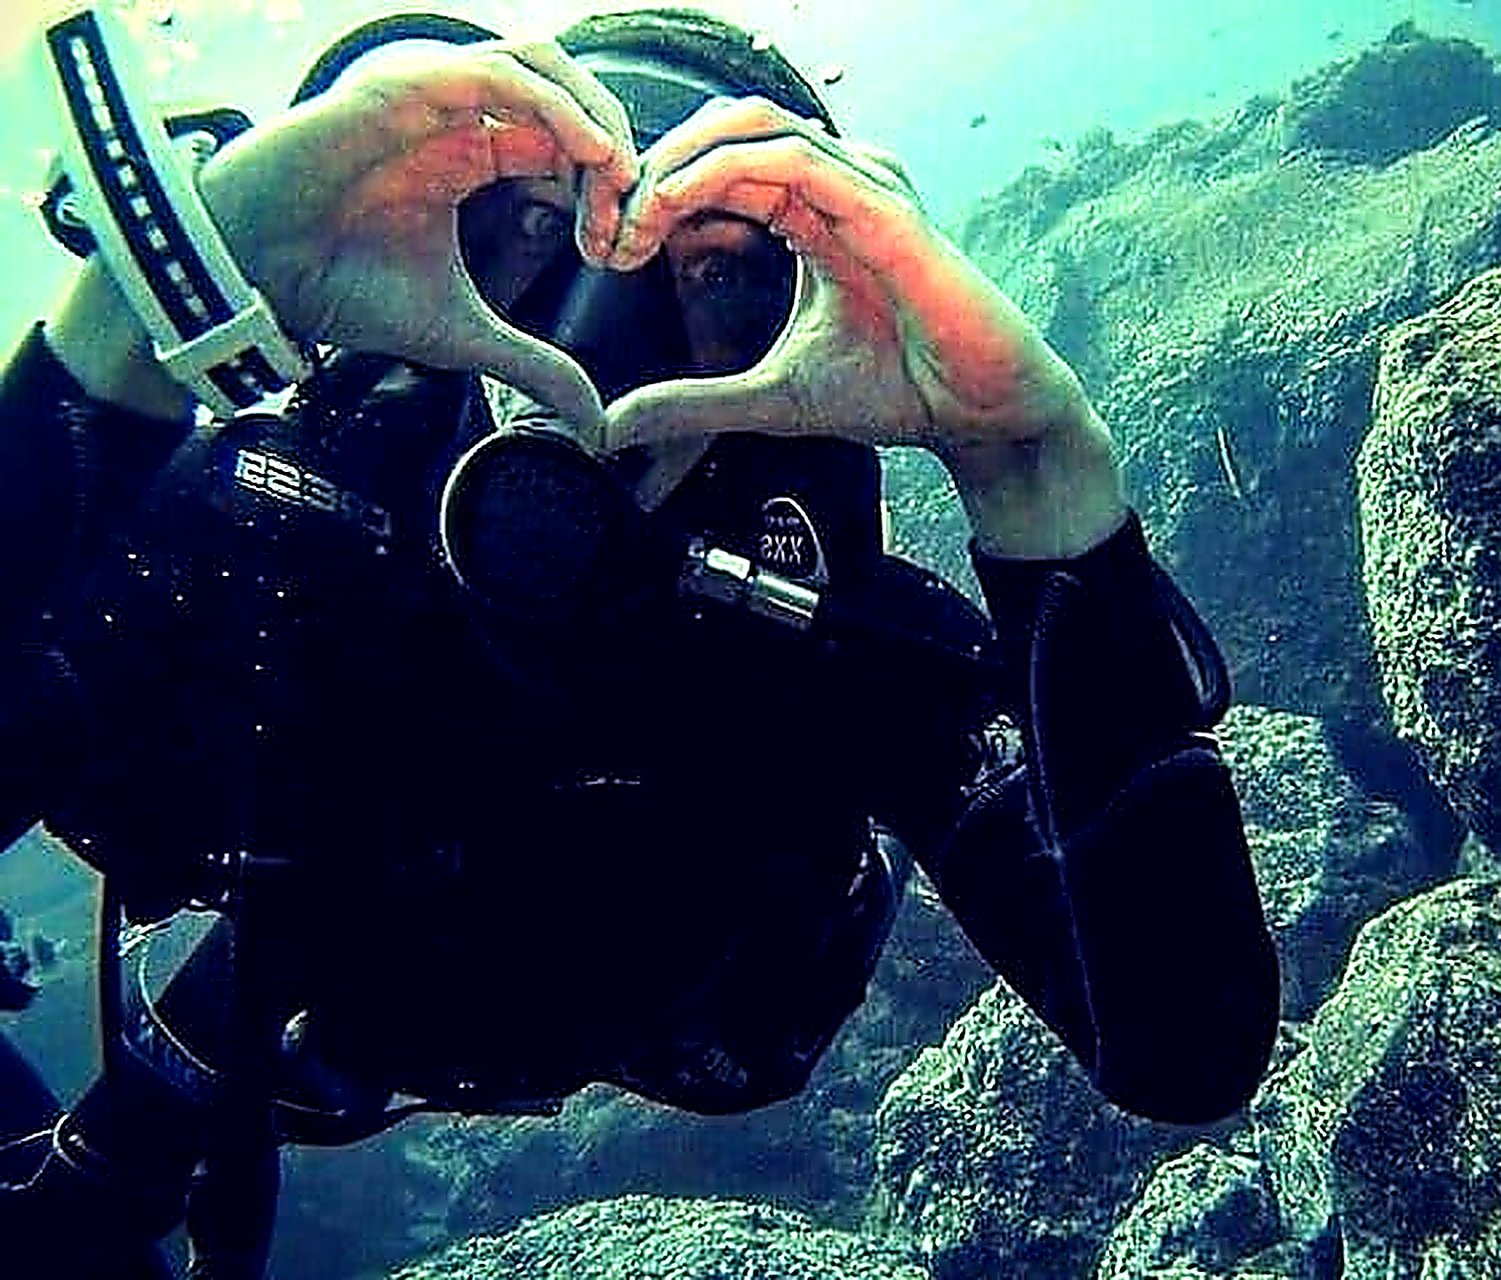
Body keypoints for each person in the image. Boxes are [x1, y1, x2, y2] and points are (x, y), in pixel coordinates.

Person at [0, 7, 1279, 1276]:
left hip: (707, 1021)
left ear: (807, 319)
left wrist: (1031, 467)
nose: (591, 353)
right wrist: (143, 316)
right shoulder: (260, 541)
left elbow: (1183, 1046)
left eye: (719, 275)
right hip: (294, 1027)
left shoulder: (840, 649)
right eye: (520, 234)